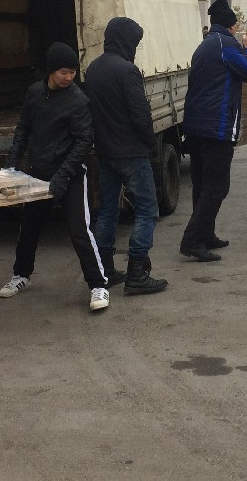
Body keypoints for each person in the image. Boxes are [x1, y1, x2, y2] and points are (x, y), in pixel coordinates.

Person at [0, 42, 110, 311]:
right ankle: (21, 275)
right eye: (64, 72)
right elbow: (23, 129)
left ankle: (98, 286)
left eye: (73, 72)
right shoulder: (34, 93)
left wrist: (62, 176)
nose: (69, 77)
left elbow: (84, 142)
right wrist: (12, 164)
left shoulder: (78, 100)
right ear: (51, 70)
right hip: (38, 173)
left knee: (79, 231)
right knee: (29, 227)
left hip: (70, 175)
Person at [84, 17, 168, 295]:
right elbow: (141, 115)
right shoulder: (127, 71)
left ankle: (104, 270)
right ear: (125, 40)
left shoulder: (93, 69)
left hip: (105, 151)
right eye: (135, 42)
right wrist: (151, 144)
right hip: (131, 152)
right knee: (147, 210)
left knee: (108, 211)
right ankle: (137, 273)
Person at [179, 0, 247, 261]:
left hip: (196, 127)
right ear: (232, 26)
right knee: (217, 187)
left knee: (202, 185)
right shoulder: (227, 46)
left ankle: (205, 234)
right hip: (216, 128)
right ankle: (192, 240)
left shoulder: (205, 44)